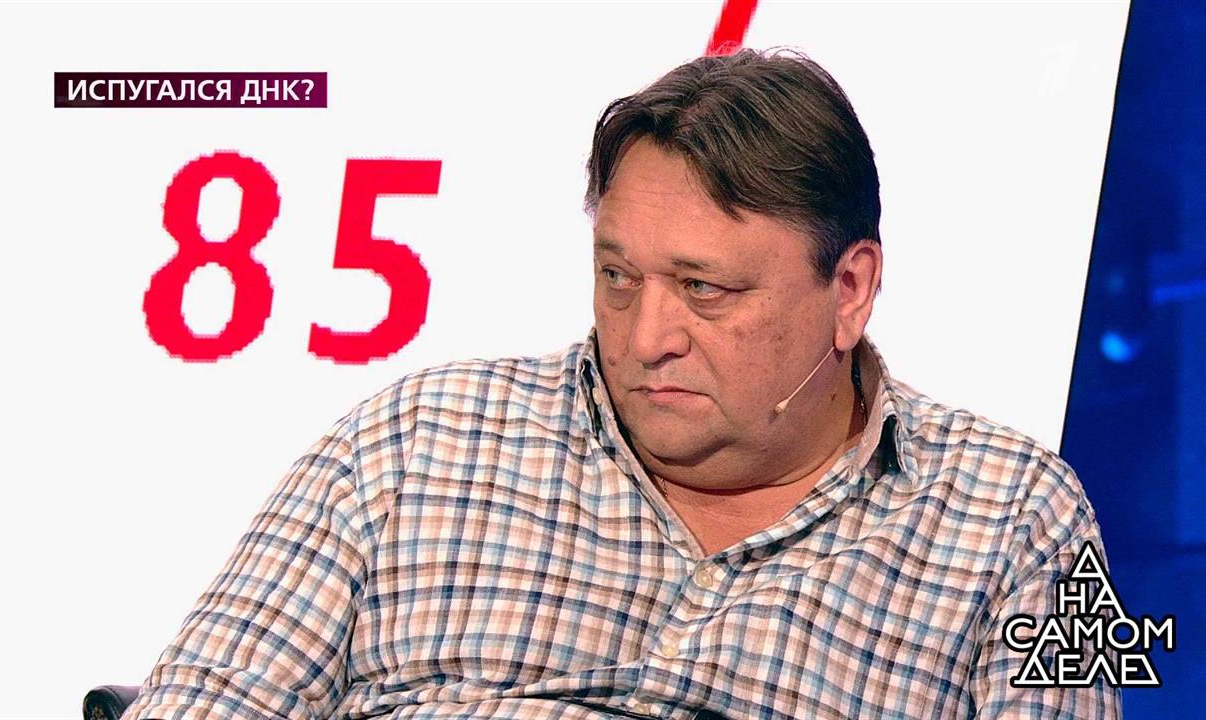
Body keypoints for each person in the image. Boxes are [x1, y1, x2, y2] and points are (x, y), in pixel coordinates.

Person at [120, 48, 1120, 719]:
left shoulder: (1019, 521)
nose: (646, 338)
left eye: (704, 290)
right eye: (617, 278)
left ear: (849, 288)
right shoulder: (413, 442)